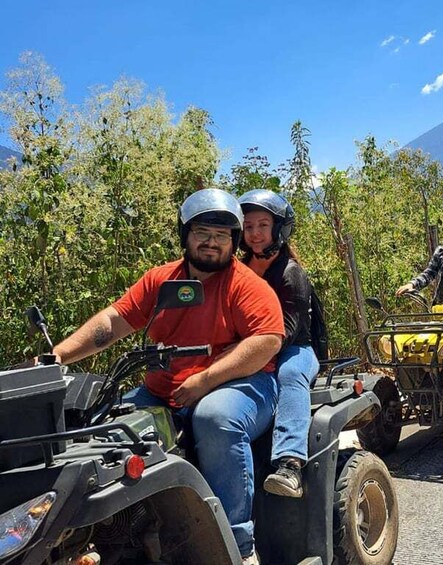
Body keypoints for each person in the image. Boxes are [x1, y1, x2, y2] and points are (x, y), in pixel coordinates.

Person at [50, 188, 284, 565]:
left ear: (234, 241)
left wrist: (206, 380)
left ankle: (236, 546)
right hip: (165, 390)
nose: (211, 243)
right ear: (185, 236)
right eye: (202, 233)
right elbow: (112, 323)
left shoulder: (246, 285)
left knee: (216, 419)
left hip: (242, 383)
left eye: (222, 235)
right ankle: (116, 536)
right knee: (106, 427)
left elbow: (267, 342)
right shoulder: (161, 281)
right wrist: (57, 356)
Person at [238, 188, 319, 499]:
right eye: (248, 226)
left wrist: (248, 352)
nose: (255, 233)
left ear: (278, 228)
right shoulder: (238, 271)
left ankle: (290, 464)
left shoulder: (290, 273)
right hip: (249, 347)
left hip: (294, 349)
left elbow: (290, 328)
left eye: (262, 225)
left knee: (290, 375)